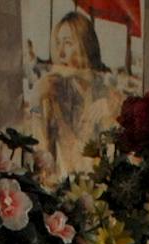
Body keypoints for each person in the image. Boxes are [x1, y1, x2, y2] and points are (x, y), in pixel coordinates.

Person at [31, 9, 116, 183]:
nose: (60, 53)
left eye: (68, 43)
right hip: (64, 192)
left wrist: (111, 110)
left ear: (86, 46)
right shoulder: (51, 91)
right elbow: (42, 157)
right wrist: (36, 98)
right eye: (58, 43)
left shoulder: (107, 94)